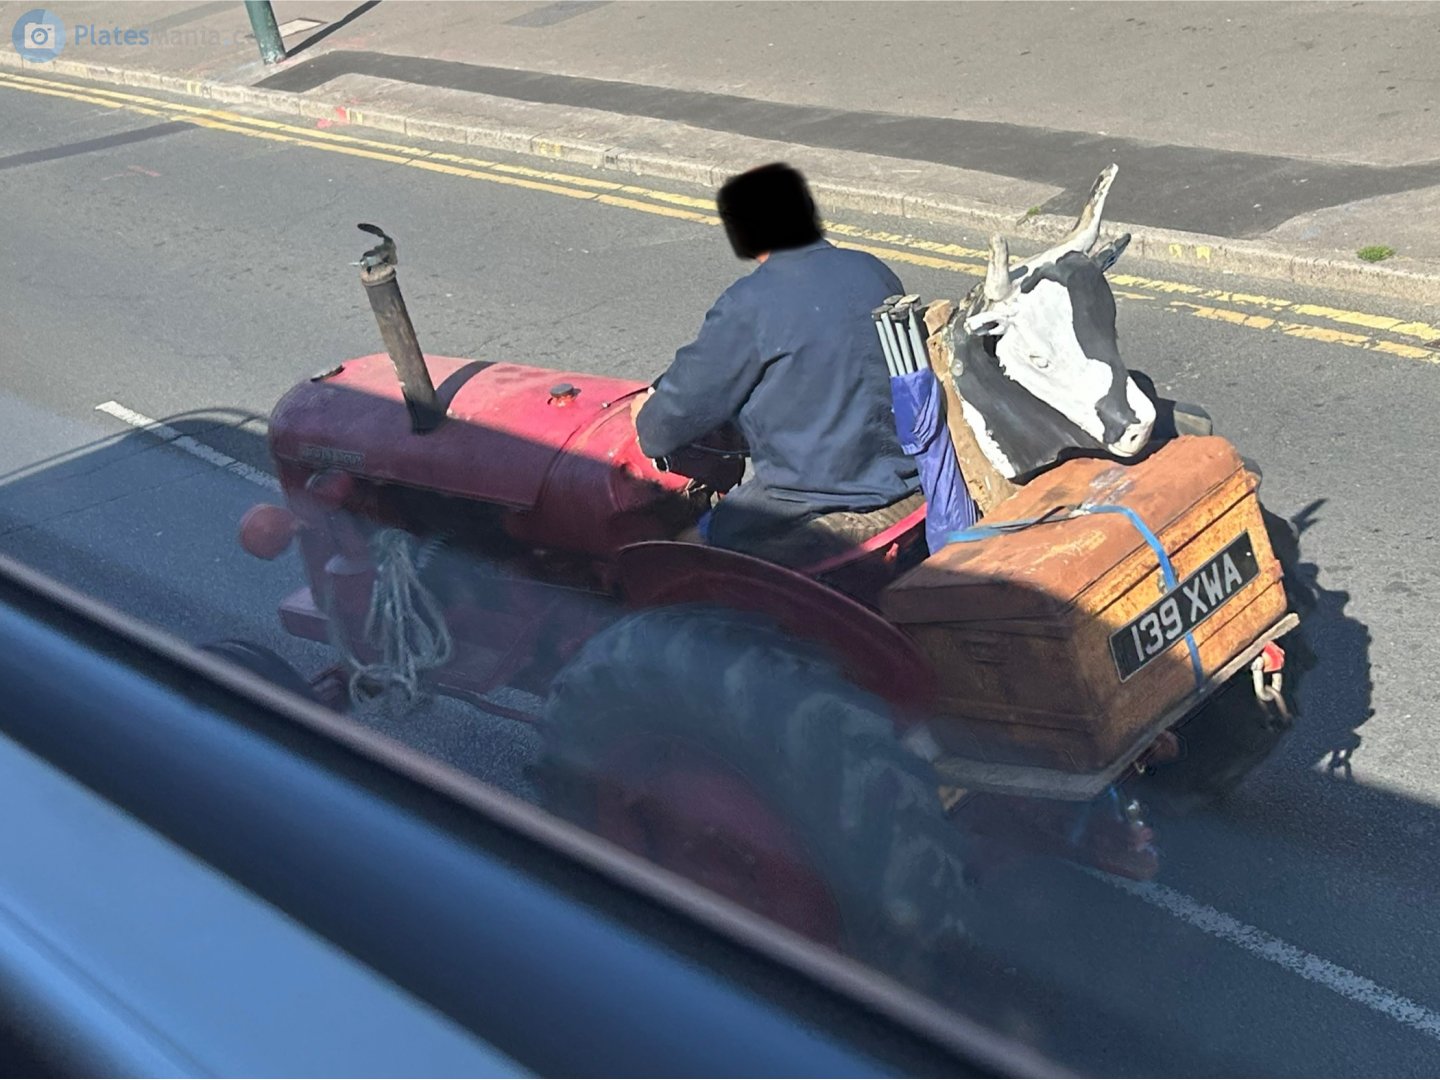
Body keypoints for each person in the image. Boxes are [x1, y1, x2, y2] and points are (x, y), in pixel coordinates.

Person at [631, 163, 921, 567]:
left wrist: (645, 415)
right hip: (906, 475)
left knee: (673, 556)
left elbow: (666, 426)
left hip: (810, 496)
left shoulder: (748, 304)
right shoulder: (873, 270)